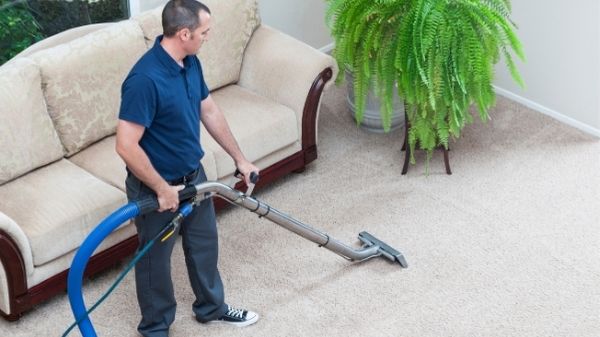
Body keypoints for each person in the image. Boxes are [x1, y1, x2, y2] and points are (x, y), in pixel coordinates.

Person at [115, 1, 259, 335]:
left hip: (194, 176)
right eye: (204, 32)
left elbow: (208, 110)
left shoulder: (190, 62)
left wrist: (240, 158)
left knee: (204, 243)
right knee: (155, 261)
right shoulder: (144, 80)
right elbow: (125, 145)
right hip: (157, 187)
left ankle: (212, 308)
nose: (207, 37)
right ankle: (155, 329)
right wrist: (162, 189)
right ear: (184, 33)